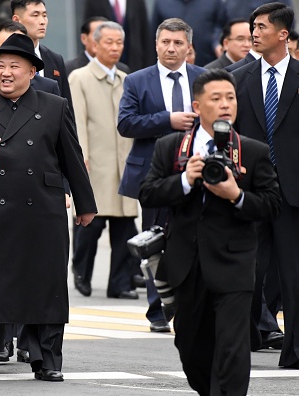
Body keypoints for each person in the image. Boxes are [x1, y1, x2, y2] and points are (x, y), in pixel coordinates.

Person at [0, 33, 97, 381]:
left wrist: (86, 205)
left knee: (47, 286)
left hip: (45, 211)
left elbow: (71, 157)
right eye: (0, 66)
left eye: (15, 66)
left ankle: (47, 358)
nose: (6, 73)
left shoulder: (53, 105)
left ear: (32, 71)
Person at [139, 68, 280, 396]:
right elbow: (147, 193)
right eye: (216, 99)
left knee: (233, 348)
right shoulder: (172, 147)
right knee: (192, 349)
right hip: (186, 264)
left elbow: (272, 204)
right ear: (198, 106)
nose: (225, 105)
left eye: (230, 98)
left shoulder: (252, 151)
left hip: (235, 264)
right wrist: (185, 181)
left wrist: (237, 195)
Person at [118, 18, 206, 333]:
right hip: (153, 176)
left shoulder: (204, 78)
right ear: (156, 44)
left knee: (194, 238)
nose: (171, 48)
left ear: (188, 46)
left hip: (195, 172)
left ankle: (190, 303)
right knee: (155, 239)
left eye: (178, 43)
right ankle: (158, 310)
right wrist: (168, 120)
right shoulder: (137, 81)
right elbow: (126, 124)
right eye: (166, 42)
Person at [231, 2, 299, 369]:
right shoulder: (236, 78)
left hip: (293, 194)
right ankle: (240, 346)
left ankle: (295, 352)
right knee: (246, 272)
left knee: (293, 276)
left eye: (260, 27)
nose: (253, 32)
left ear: (283, 34)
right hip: (249, 192)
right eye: (251, 26)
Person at [68, 21, 139, 299]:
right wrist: (81, 157)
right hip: (94, 163)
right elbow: (77, 121)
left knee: (124, 227)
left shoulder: (126, 79)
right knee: (90, 224)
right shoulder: (79, 78)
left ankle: (119, 284)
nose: (114, 47)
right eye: (108, 42)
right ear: (94, 44)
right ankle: (81, 272)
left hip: (124, 163)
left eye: (119, 42)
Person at [151, 0, 227, 68]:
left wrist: (216, 42)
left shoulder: (214, 2)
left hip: (206, 57)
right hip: (170, 62)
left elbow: (220, 25)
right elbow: (154, 32)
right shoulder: (162, 2)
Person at [82, 0, 155, 72]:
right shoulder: (92, 2)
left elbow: (145, 35)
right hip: (103, 68)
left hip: (135, 63)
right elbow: (89, 32)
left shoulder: (137, 2)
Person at [65, 16, 130, 75]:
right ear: (84, 38)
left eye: (118, 42)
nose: (114, 48)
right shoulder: (70, 69)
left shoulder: (122, 70)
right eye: (96, 34)